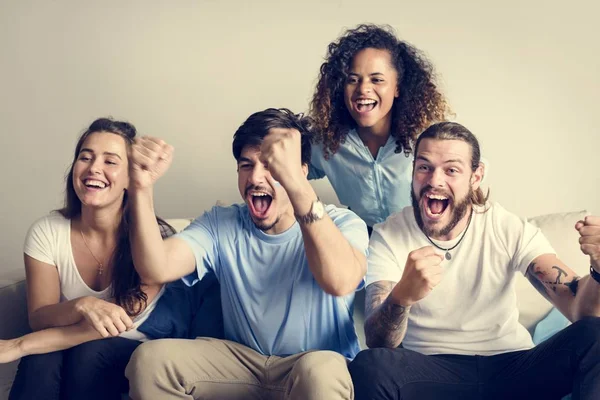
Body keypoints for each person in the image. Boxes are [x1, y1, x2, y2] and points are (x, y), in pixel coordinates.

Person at [124, 108, 369, 400]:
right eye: (246, 165)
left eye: (270, 166)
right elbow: (156, 268)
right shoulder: (221, 223)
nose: (255, 178)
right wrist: (141, 187)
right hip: (241, 364)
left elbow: (340, 281)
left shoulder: (342, 223)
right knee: (151, 361)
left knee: (321, 370)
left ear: (301, 171)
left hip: (313, 364)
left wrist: (296, 186)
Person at [348, 121, 600, 400]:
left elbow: (579, 312)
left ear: (476, 176)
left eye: (451, 170)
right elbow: (377, 341)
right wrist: (401, 297)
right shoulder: (389, 234)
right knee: (369, 366)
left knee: (595, 335)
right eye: (424, 167)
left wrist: (599, 271)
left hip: (513, 368)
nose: (434, 180)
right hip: (432, 372)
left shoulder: (506, 227)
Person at [6, 118, 206, 400]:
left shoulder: (155, 239)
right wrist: (83, 305)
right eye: (85, 157)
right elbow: (40, 317)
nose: (94, 168)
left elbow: (112, 326)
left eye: (110, 161)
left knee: (85, 354)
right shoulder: (47, 231)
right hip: (77, 341)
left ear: (130, 179)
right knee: (41, 360)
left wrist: (20, 345)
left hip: (141, 344)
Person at [309, 24, 449, 231]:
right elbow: (289, 169)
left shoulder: (429, 139)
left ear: (397, 87)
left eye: (377, 80)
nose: (363, 89)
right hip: (363, 243)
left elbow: (465, 172)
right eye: (353, 80)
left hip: (422, 236)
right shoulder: (328, 142)